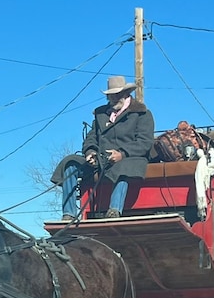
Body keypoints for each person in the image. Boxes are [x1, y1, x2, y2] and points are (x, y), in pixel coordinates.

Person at [55, 75, 154, 219]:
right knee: (70, 163)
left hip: (129, 158)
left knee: (123, 167)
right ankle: (68, 214)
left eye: (116, 95)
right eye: (110, 96)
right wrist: (90, 152)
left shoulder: (142, 114)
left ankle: (114, 210)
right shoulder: (101, 115)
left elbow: (144, 142)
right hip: (101, 160)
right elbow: (91, 138)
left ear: (126, 94)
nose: (112, 99)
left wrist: (122, 154)